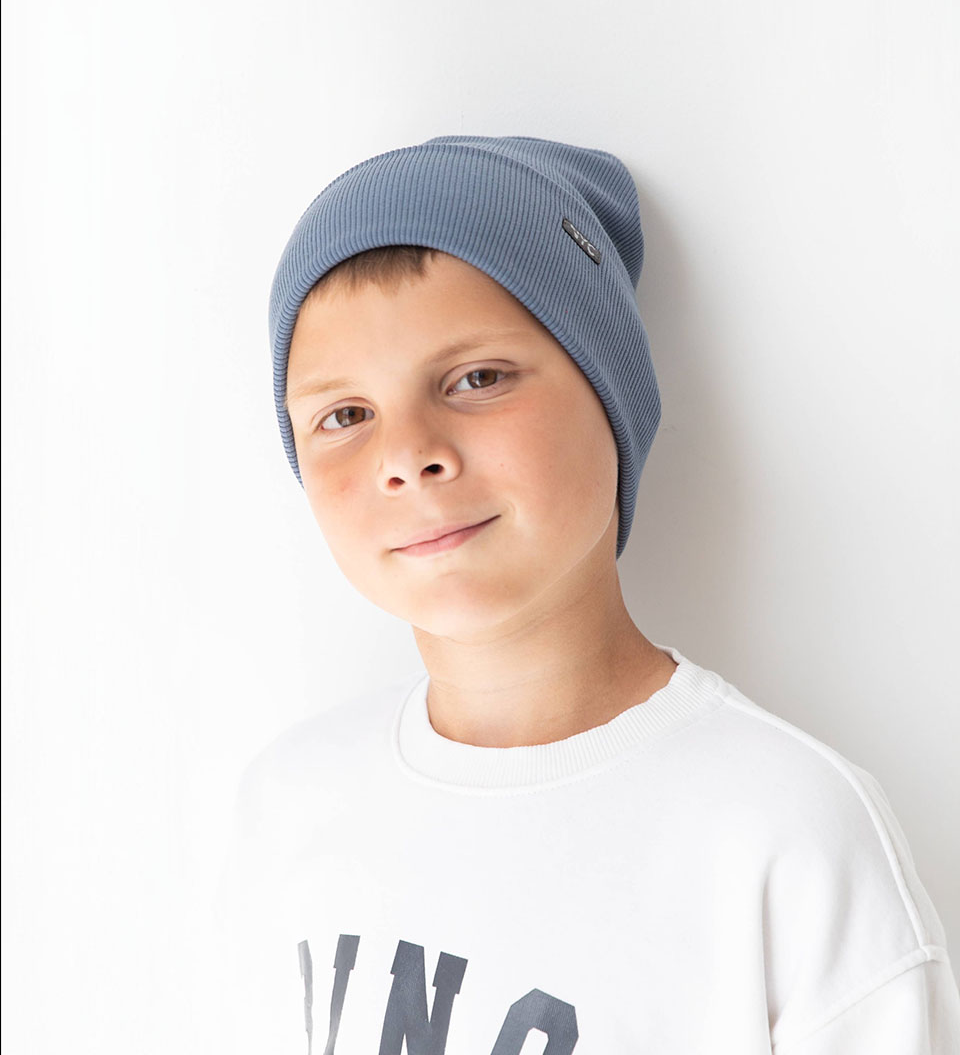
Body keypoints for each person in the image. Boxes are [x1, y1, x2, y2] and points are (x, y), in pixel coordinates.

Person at [214, 135, 960, 1053]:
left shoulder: (785, 834)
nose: (407, 456)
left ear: (610, 395)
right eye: (345, 415)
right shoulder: (291, 802)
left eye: (476, 379)